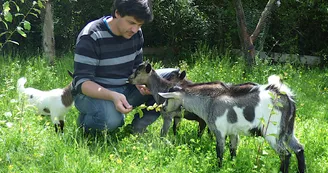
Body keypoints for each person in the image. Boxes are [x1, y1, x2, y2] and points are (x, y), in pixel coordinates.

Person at [72, 0, 177, 135]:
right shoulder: (92, 35)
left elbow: (136, 67)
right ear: (117, 13)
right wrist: (112, 96)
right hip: (95, 94)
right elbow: (82, 83)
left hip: (127, 87)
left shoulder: (136, 34)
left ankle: (138, 126)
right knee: (110, 121)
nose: (135, 29)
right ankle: (86, 123)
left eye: (139, 25)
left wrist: (141, 83)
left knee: (171, 77)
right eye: (131, 22)